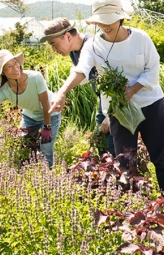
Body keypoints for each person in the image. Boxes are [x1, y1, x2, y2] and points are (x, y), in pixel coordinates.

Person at [50, 0, 164, 193]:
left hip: (150, 104)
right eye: (100, 22)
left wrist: (133, 89)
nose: (104, 26)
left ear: (120, 19)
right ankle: (134, 210)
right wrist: (62, 92)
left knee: (162, 158)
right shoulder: (92, 46)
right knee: (125, 164)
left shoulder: (141, 38)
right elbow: (81, 70)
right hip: (118, 109)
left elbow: (153, 69)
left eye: (109, 20)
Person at [39, 18, 115, 156]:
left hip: (119, 102)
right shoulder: (74, 51)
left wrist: (111, 115)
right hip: (104, 101)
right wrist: (62, 94)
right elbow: (84, 75)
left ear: (68, 36)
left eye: (54, 44)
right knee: (101, 146)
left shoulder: (95, 45)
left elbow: (119, 82)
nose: (54, 50)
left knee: (114, 150)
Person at [0, 49, 62, 167]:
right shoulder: (3, 90)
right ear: (3, 73)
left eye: (15, 63)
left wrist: (47, 127)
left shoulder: (35, 77)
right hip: (30, 116)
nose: (15, 68)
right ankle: (25, 175)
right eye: (8, 67)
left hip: (50, 113)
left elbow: (45, 104)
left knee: (45, 148)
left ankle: (48, 176)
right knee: (23, 145)